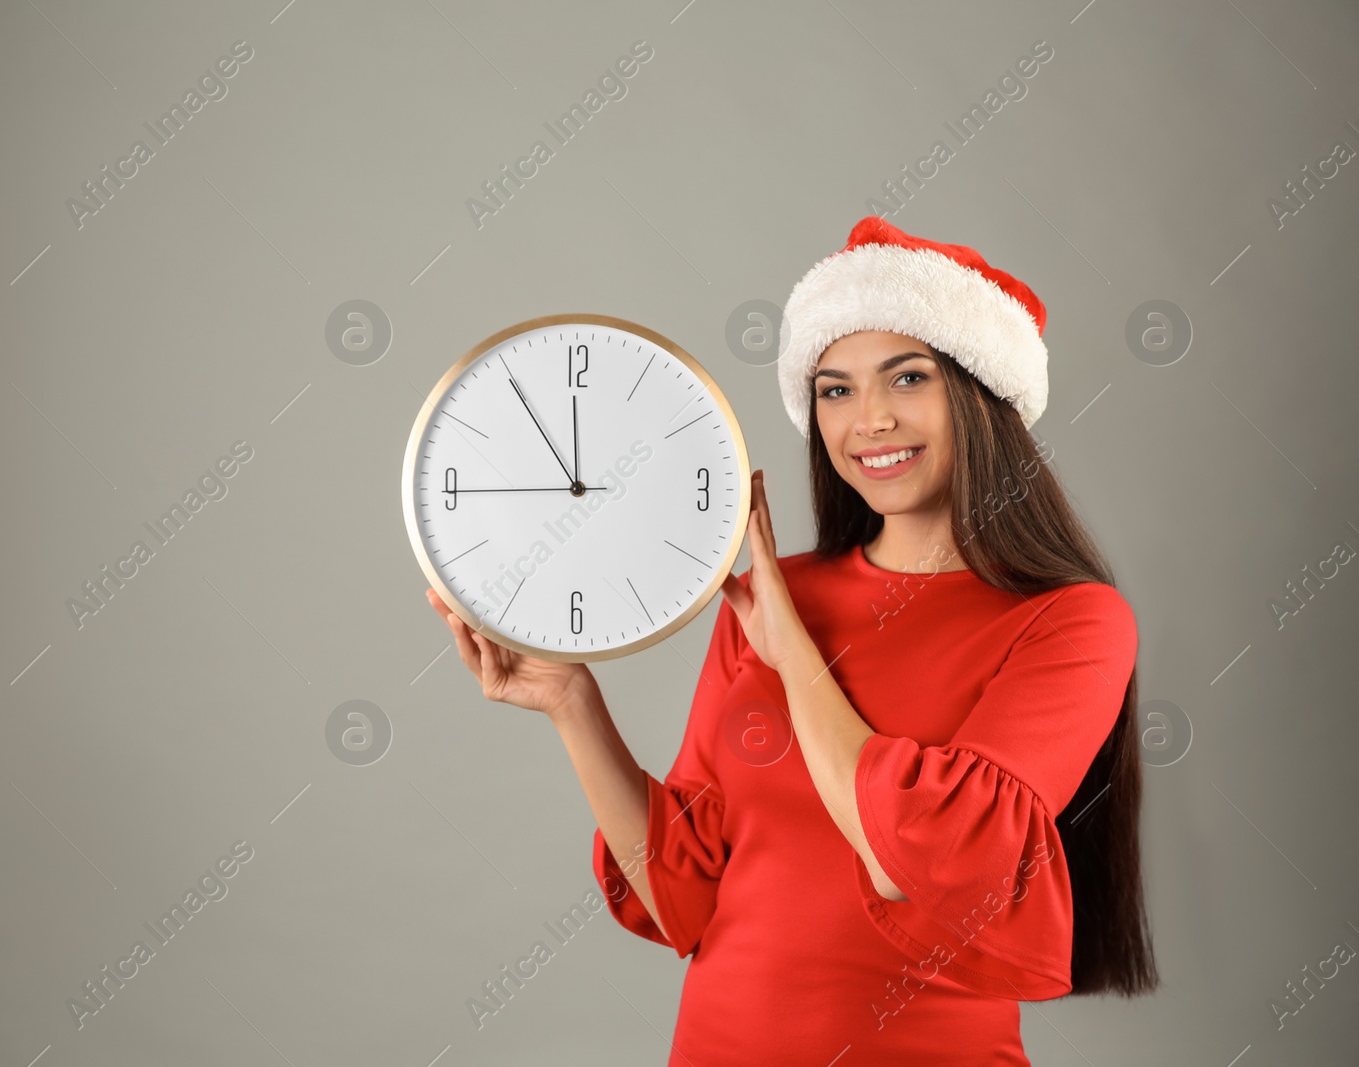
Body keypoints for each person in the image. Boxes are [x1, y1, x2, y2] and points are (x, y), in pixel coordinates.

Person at [425, 216, 1157, 1065]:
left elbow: (910, 861)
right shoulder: (781, 596)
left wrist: (794, 651)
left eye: (907, 378)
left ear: (982, 395)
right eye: (835, 389)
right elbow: (684, 902)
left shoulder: (1073, 620)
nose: (869, 419)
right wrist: (570, 702)